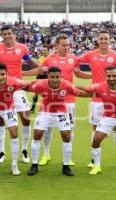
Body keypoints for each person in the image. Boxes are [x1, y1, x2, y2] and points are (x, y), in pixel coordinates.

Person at [0, 25, 40, 163]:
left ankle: (24, 150)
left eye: (9, 33)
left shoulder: (22, 48)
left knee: (26, 119)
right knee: (0, 120)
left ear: (13, 34)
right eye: (5, 34)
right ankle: (1, 152)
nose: (7, 36)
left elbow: (32, 63)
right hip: (1, 89)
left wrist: (38, 70)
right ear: (2, 35)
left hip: (17, 89)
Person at [23, 34, 91, 166]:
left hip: (69, 99)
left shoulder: (73, 59)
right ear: (57, 45)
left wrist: (95, 76)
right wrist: (23, 73)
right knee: (47, 129)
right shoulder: (49, 59)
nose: (66, 47)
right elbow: (39, 70)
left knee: (69, 129)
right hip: (51, 101)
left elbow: (78, 73)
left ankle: (67, 158)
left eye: (68, 45)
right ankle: (46, 154)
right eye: (63, 45)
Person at [78, 30, 116, 168]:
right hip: (97, 99)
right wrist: (85, 75)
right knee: (96, 130)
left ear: (109, 40)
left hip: (113, 99)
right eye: (101, 38)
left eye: (106, 38)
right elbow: (74, 62)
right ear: (97, 40)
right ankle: (94, 159)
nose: (104, 41)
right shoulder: (90, 55)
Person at [26, 67, 91, 176]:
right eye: (52, 77)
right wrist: (14, 86)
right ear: (48, 76)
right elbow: (29, 88)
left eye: (57, 77)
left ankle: (66, 166)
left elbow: (79, 93)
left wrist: (97, 95)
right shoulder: (41, 84)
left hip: (61, 112)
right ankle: (34, 165)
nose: (55, 79)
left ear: (61, 76)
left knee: (66, 136)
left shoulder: (66, 85)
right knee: (37, 135)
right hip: (45, 112)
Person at [29, 46, 49, 113]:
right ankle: (32, 108)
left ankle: (47, 108)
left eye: (45, 50)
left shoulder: (50, 58)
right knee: (36, 92)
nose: (44, 51)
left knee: (47, 93)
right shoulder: (41, 58)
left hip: (47, 77)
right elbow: (41, 67)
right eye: (43, 50)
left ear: (48, 51)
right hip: (40, 76)